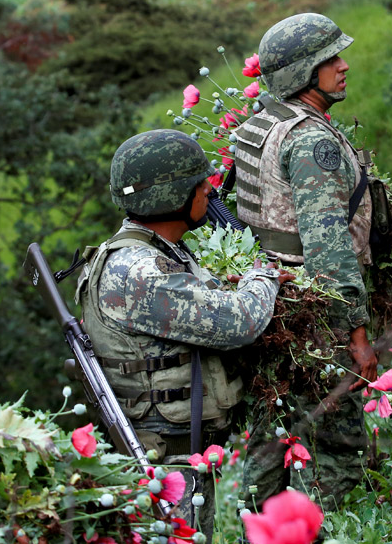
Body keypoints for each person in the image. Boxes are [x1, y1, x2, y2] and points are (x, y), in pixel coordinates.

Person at [76, 128, 290, 532]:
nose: (209, 192)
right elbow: (241, 321)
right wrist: (265, 275)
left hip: (176, 454)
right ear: (172, 197)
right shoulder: (139, 272)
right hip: (165, 464)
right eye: (199, 184)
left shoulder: (155, 252)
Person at [233, 12, 378, 509]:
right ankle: (324, 528)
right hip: (315, 312)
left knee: (269, 437)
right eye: (329, 59)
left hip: (270, 302)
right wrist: (354, 333)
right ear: (303, 74)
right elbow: (328, 245)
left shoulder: (260, 126)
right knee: (337, 448)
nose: (343, 66)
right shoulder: (311, 140)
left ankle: (259, 530)